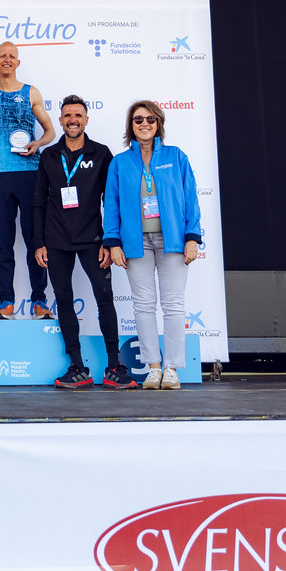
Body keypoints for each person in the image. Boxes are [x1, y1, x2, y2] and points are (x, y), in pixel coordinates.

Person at [33, 95, 134, 389]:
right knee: (63, 300)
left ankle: (114, 366)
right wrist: (39, 243)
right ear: (61, 120)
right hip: (56, 242)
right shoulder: (49, 156)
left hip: (93, 241)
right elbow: (39, 202)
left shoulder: (102, 154)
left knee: (105, 297)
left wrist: (111, 241)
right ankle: (77, 366)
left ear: (86, 119)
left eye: (78, 115)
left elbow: (112, 201)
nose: (72, 120)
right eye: (67, 115)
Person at [103, 100, 202, 390]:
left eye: (149, 119)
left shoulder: (176, 156)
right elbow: (111, 204)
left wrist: (192, 237)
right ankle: (153, 368)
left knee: (173, 304)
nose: (144, 123)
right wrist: (113, 242)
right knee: (143, 306)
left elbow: (191, 198)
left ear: (158, 124)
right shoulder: (120, 162)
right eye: (137, 119)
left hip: (172, 241)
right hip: (136, 243)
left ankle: (171, 368)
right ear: (130, 126)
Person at [0, 42, 56, 319]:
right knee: (4, 243)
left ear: (18, 63)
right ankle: (6, 302)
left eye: (12, 56)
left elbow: (50, 131)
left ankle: (39, 301)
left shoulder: (31, 92)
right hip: (0, 175)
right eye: (3, 56)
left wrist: (37, 143)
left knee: (35, 241)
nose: (7, 60)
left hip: (30, 173)